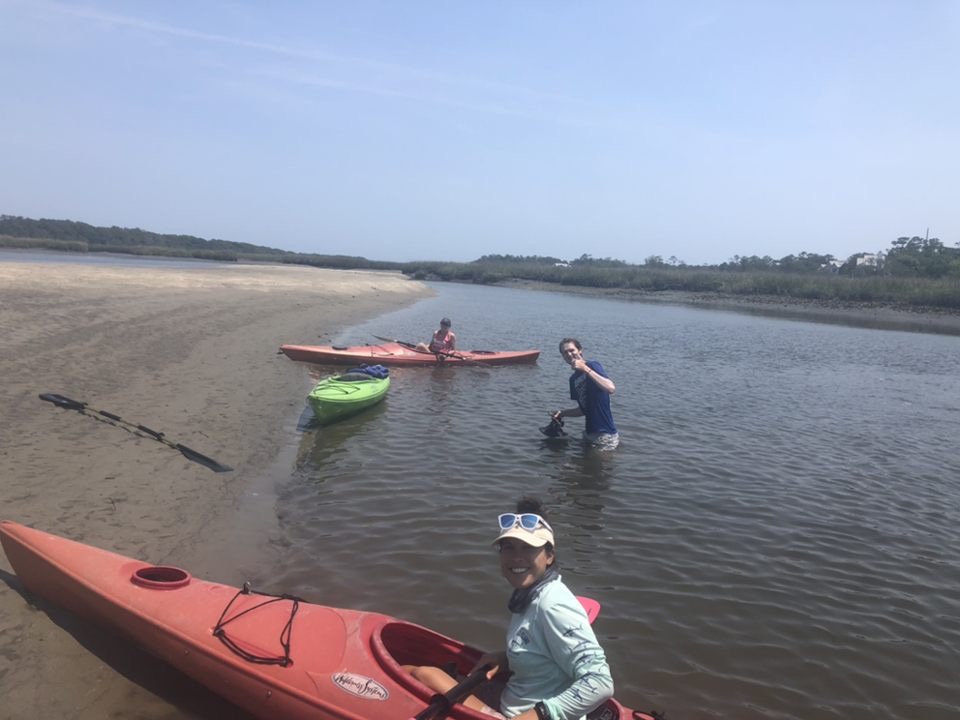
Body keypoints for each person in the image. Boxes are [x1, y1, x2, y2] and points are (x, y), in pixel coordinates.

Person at [405, 498, 615, 720]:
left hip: (521, 716)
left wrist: (538, 715)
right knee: (411, 670)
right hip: (513, 699)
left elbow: (600, 682)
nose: (516, 557)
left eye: (528, 548)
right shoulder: (530, 594)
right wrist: (506, 658)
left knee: (424, 674)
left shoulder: (553, 605)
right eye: (509, 547)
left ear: (549, 556)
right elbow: (544, 649)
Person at [552, 338, 619, 450]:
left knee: (599, 467)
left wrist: (585, 369)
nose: (569, 354)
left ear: (580, 351)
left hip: (605, 435)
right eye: (565, 352)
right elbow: (583, 410)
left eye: (571, 350)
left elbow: (610, 388)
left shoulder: (592, 365)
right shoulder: (573, 379)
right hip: (589, 433)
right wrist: (562, 413)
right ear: (563, 357)